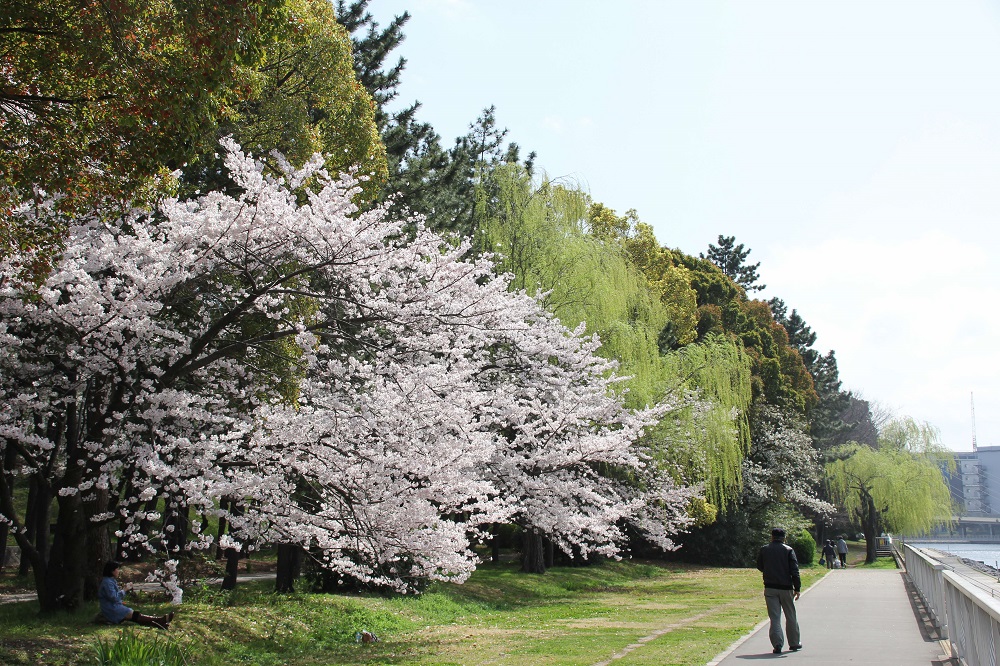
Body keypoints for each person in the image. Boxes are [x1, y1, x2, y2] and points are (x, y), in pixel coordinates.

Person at [756, 528, 801, 654]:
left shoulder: (764, 549)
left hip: (770, 587)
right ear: (784, 538)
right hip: (786, 587)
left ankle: (777, 644)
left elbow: (760, 566)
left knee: (775, 617)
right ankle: (794, 643)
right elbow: (794, 571)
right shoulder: (788, 550)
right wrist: (797, 588)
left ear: (772, 537)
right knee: (790, 615)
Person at [98, 561, 174, 629]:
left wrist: (124, 590)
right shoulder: (107, 583)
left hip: (114, 607)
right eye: (117, 569)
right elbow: (114, 597)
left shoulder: (110, 581)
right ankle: (160, 620)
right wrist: (124, 590)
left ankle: (159, 623)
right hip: (111, 609)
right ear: (112, 571)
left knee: (134, 615)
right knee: (133, 615)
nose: (118, 571)